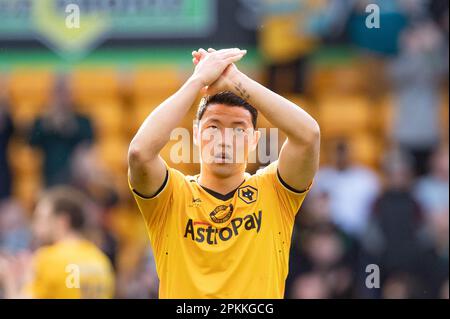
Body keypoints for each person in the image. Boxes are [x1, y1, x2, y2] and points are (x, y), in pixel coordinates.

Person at [128, 48, 320, 298]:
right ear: (196, 134)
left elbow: (309, 136)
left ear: (254, 140)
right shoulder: (172, 196)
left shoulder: (274, 192)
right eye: (213, 127)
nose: (224, 140)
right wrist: (197, 80)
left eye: (239, 130)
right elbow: (139, 153)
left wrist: (236, 80)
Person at [0, 187, 115, 298]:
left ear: (62, 221)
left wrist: (8, 278)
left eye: (41, 218)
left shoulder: (48, 258)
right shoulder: (100, 259)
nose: (35, 227)